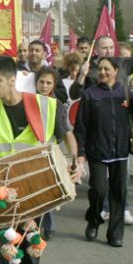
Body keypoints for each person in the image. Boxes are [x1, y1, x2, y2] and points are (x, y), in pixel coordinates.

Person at [0, 57, 80, 264]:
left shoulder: (47, 106)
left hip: (36, 193)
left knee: (28, 251)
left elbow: (67, 136)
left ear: (12, 81)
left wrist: (75, 161)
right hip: (4, 194)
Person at [74, 57, 133, 247]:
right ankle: (93, 220)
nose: (102, 72)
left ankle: (115, 234)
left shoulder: (126, 92)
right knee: (99, 190)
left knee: (118, 193)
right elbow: (81, 126)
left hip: (121, 152)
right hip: (97, 151)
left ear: (116, 71)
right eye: (100, 69)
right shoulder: (90, 94)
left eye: (107, 69)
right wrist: (81, 153)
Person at [33, 66, 80, 241]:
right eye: (41, 82)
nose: (44, 86)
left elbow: (65, 132)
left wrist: (74, 157)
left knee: (49, 192)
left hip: (49, 154)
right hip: (30, 154)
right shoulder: (26, 101)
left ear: (53, 85)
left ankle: (49, 225)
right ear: (36, 83)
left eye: (48, 83)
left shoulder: (56, 105)